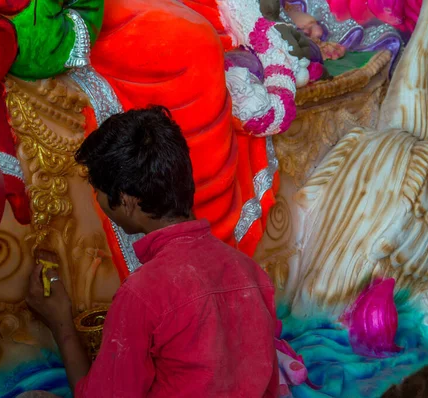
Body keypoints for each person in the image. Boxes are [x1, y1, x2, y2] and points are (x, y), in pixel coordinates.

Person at [25, 106, 279, 397]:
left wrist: (61, 323)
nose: (98, 202)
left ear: (127, 200)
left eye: (99, 193)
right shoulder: (249, 271)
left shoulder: (142, 294)